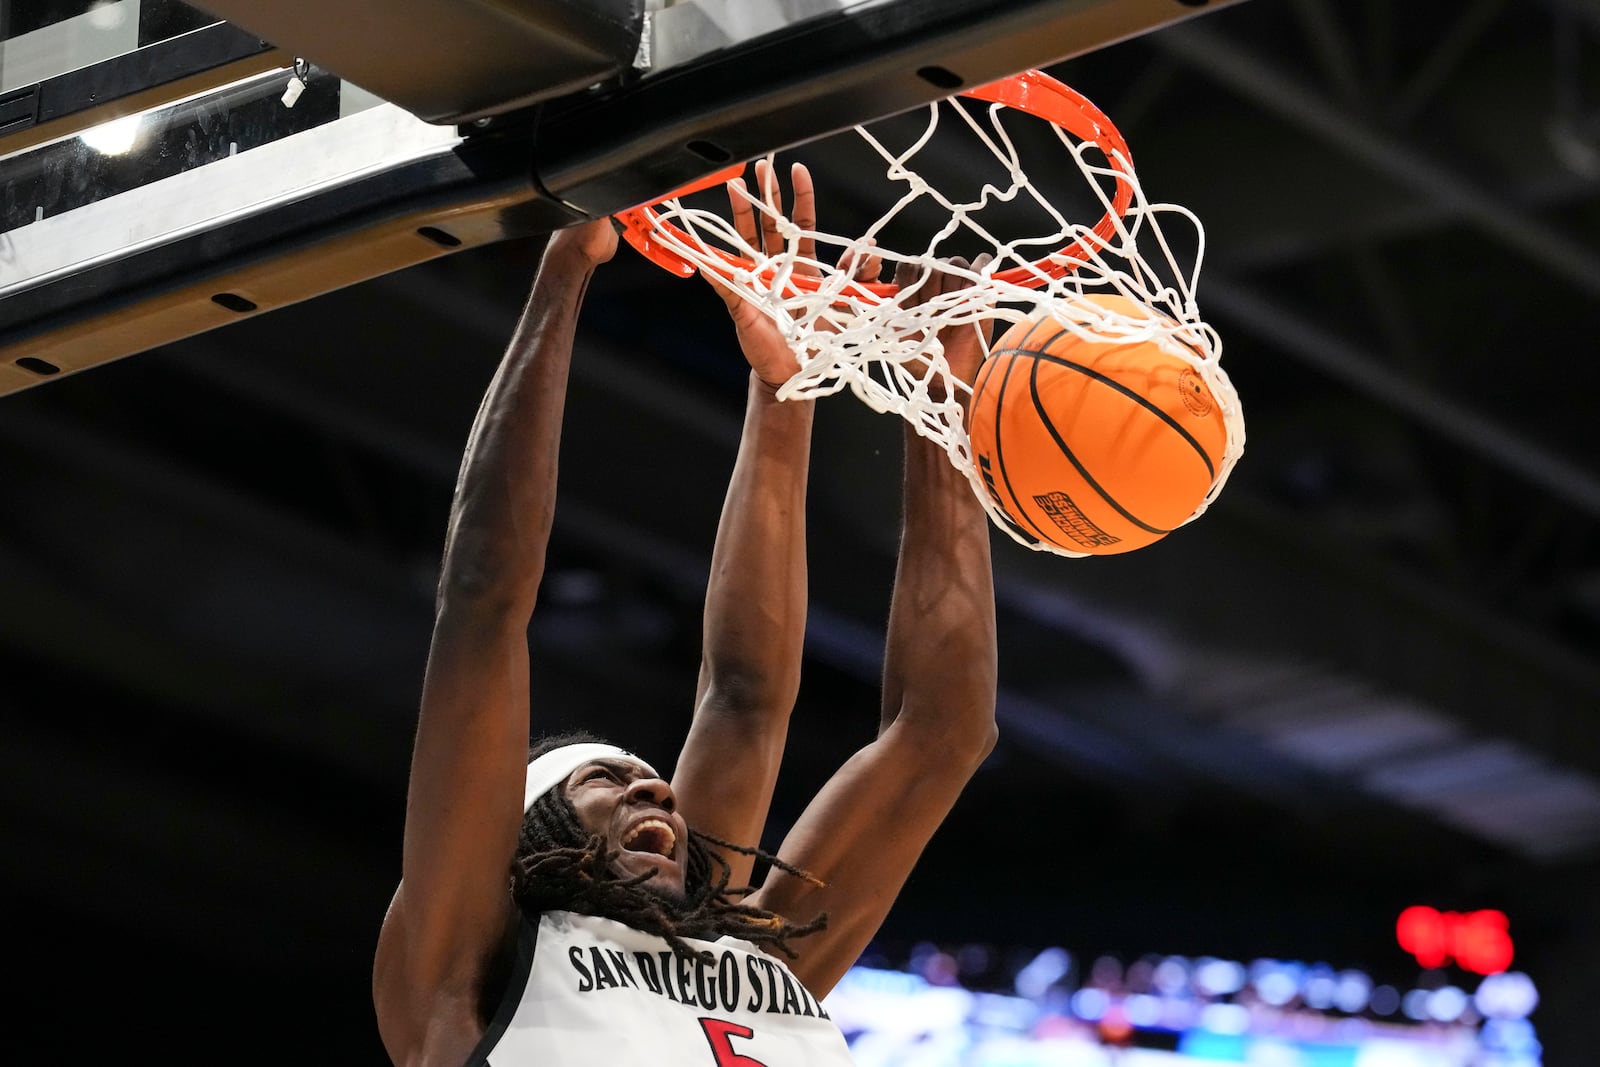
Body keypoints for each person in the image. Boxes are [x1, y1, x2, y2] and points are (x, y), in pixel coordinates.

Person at [372, 162, 998, 1066]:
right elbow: (483, 605)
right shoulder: (465, 974)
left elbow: (867, 716)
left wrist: (810, 389)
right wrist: (563, 272)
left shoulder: (750, 953)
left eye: (639, 776)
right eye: (602, 783)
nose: (652, 784)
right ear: (524, 843)